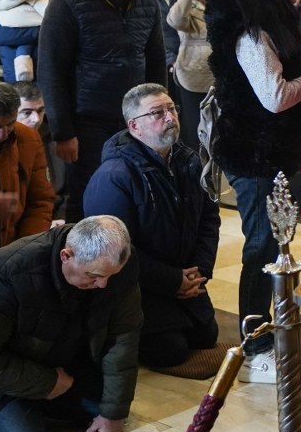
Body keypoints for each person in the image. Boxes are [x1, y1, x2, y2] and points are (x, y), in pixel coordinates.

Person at [205, 0, 301, 383]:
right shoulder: (251, 33)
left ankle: (271, 329)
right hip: (253, 154)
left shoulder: (273, 22)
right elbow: (275, 96)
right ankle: (254, 341)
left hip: (272, 153)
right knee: (261, 245)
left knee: (275, 243)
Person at [81, 84, 218, 371]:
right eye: (157, 113)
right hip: (138, 286)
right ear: (134, 126)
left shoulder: (188, 160)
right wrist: (172, 281)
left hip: (182, 273)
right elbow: (117, 250)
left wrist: (200, 270)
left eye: (172, 109)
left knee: (206, 336)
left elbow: (208, 217)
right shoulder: (114, 176)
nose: (170, 117)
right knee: (171, 350)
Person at [0, 216, 140, 432]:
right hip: (2, 376)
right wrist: (46, 383)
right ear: (66, 256)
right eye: (93, 275)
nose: (103, 284)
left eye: (110, 276)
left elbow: (123, 336)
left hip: (59, 363)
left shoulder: (116, 265)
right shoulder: (7, 272)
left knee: (110, 408)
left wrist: (113, 413)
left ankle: (35, 405)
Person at [36, 0, 166, 210]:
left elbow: (155, 60)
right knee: (89, 196)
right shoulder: (68, 0)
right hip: (87, 120)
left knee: (136, 195)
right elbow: (51, 70)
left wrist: (160, 114)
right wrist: (63, 132)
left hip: (135, 117)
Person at [0, 81, 54, 252]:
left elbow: (40, 201)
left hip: (9, 250)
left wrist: (24, 250)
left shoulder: (28, 138)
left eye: (10, 124)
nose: (3, 135)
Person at [166, 0, 213, 151]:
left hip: (218, 74)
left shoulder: (217, 4)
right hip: (193, 74)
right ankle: (195, 161)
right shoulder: (186, 6)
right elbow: (175, 21)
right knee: (195, 125)